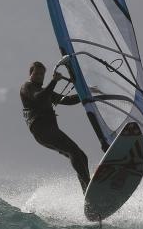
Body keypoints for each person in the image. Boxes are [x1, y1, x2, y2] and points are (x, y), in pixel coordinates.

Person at [21, 61, 91, 192]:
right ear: (30, 74)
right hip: (42, 130)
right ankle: (88, 185)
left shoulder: (45, 91)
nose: (39, 76)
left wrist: (85, 93)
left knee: (81, 156)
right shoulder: (27, 87)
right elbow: (38, 98)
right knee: (74, 151)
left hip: (51, 131)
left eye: (42, 74)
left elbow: (67, 100)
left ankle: (87, 191)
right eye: (36, 73)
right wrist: (54, 81)